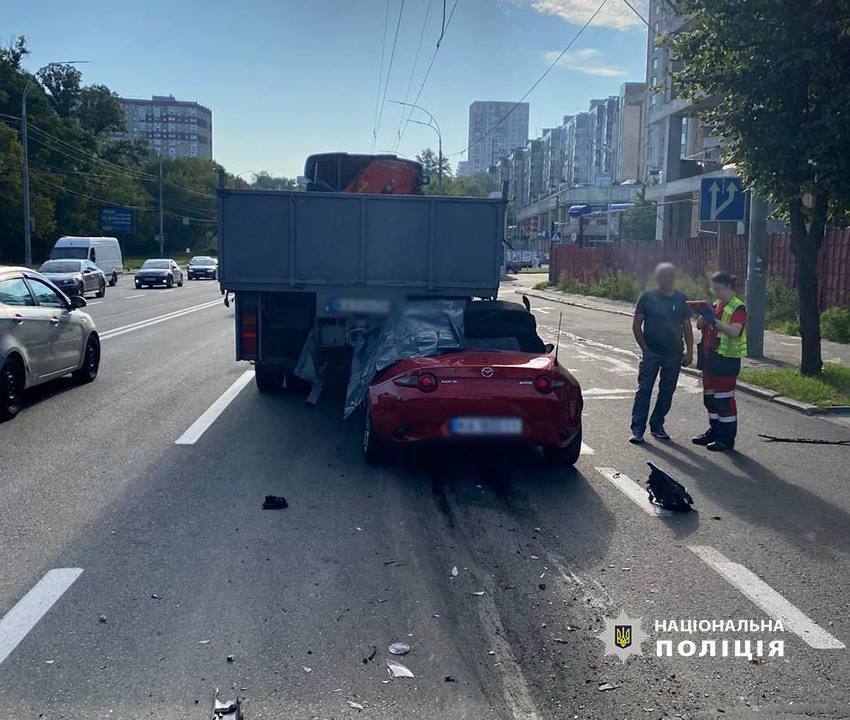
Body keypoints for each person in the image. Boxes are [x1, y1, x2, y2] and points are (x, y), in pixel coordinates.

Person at [629, 263, 694, 444]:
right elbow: (636, 325)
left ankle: (657, 425)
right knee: (644, 390)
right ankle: (638, 429)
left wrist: (689, 352)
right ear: (658, 279)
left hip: (673, 354)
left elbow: (687, 327)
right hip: (652, 352)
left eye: (671, 276)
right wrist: (645, 350)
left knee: (667, 392)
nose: (668, 280)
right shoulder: (647, 297)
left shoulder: (681, 299)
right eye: (664, 276)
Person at [693, 272, 747, 452]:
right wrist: (703, 314)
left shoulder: (737, 307)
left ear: (728, 288)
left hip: (725, 361)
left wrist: (714, 321)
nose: (715, 292)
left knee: (724, 401)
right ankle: (714, 431)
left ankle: (726, 438)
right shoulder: (716, 305)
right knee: (710, 399)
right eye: (713, 289)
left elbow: (734, 332)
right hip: (710, 359)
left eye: (718, 289)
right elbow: (700, 326)